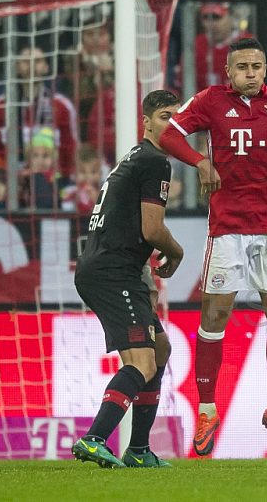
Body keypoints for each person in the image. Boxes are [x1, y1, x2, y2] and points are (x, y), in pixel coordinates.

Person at [158, 37, 267, 457]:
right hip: (227, 228)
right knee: (215, 313)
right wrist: (201, 162)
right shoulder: (210, 101)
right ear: (228, 72)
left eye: (257, 66)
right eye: (243, 67)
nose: (252, 74)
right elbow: (169, 135)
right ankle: (207, 410)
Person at [71, 89, 184, 469]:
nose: (174, 124)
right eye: (166, 116)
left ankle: (138, 450)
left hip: (113, 268)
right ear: (147, 123)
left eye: (178, 117)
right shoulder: (155, 162)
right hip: (113, 272)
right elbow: (152, 230)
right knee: (142, 362)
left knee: (161, 350)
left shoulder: (135, 157)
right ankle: (94, 438)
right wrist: (178, 252)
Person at [0, 45, 78, 178]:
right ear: (16, 67)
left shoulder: (62, 106)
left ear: (46, 67)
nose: (32, 66)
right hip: (10, 186)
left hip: (53, 184)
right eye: (26, 61)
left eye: (37, 61)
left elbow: (71, 150)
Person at [194, 0, 253, 93]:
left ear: (231, 16)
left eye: (216, 17)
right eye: (206, 17)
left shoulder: (248, 44)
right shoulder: (195, 45)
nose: (211, 23)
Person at [62, 144, 104, 213]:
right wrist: (75, 201)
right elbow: (66, 212)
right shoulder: (70, 191)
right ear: (75, 173)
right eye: (83, 172)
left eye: (93, 172)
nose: (88, 177)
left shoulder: (105, 191)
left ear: (100, 173)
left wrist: (97, 199)